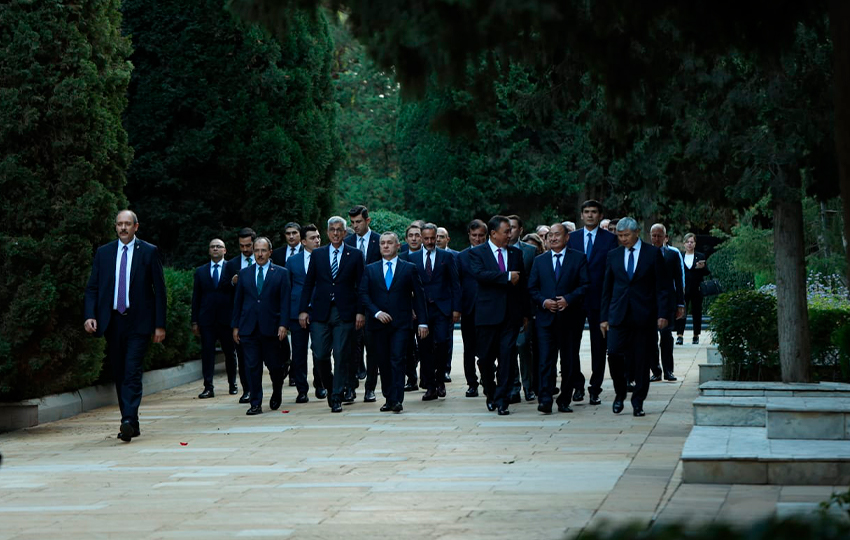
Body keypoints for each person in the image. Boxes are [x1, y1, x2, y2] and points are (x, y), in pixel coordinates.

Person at [84, 210, 167, 442]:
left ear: (136, 227)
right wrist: (89, 315)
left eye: (127, 224)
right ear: (115, 226)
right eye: (119, 224)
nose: (123, 228)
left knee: (132, 371)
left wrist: (160, 325)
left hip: (139, 322)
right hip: (113, 322)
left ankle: (128, 420)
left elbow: (159, 291)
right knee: (120, 373)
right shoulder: (104, 253)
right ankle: (131, 421)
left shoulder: (149, 252)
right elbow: (92, 287)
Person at [600, 218, 669, 417]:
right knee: (613, 353)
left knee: (641, 360)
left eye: (626, 235)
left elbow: (662, 287)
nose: (623, 239)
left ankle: (638, 401)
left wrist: (663, 314)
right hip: (618, 314)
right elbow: (607, 288)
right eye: (620, 236)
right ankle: (620, 392)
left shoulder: (652, 253)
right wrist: (603, 317)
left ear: (637, 232)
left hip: (644, 315)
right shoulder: (613, 255)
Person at [299, 216, 365, 412]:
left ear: (345, 233)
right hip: (320, 312)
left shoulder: (355, 255)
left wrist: (361, 312)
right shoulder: (318, 255)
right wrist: (303, 309)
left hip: (345, 313)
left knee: (342, 354)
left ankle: (336, 395)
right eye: (332, 230)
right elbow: (309, 283)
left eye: (340, 230)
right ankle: (329, 387)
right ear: (327, 233)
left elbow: (361, 286)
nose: (336, 233)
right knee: (319, 354)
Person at [359, 232, 429, 412]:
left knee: (397, 359)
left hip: (401, 323)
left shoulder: (409, 268)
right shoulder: (370, 269)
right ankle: (388, 397)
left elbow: (419, 297)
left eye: (390, 243)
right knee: (383, 361)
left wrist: (423, 322)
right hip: (378, 324)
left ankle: (397, 399)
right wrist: (376, 313)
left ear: (398, 246)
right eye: (382, 243)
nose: (385, 246)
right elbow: (363, 295)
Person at [468, 215, 528, 415]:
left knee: (507, 358)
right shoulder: (478, 253)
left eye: (511, 231)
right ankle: (490, 391)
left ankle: (503, 400)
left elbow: (523, 286)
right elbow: (480, 275)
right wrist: (506, 277)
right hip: (487, 315)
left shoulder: (515, 253)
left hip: (511, 316)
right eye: (506, 232)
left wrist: (526, 313)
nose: (510, 235)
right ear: (493, 234)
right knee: (485, 359)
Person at [527, 223, 589, 413]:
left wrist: (568, 300)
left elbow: (585, 285)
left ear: (567, 237)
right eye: (550, 236)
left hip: (570, 319)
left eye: (557, 235)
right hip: (546, 319)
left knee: (568, 361)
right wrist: (543, 302)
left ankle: (564, 399)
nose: (553, 238)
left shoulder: (578, 258)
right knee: (546, 360)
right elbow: (532, 288)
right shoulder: (540, 261)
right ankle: (545, 399)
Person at [566, 200, 619, 405]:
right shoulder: (572, 238)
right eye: (586, 212)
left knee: (599, 345)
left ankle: (595, 387)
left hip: (600, 298)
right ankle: (577, 385)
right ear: (581, 215)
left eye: (594, 212)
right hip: (575, 299)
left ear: (600, 215)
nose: (590, 215)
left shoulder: (610, 239)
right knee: (572, 345)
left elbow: (612, 270)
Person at [400, 223, 461, 401]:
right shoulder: (413, 258)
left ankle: (441, 378)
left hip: (442, 308)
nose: (429, 241)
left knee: (442, 343)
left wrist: (456, 309)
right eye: (425, 238)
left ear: (436, 237)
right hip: (421, 310)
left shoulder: (447, 257)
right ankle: (431, 385)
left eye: (432, 238)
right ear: (420, 237)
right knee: (424, 346)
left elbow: (455, 284)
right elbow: (408, 287)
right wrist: (411, 308)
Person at [231, 237, 291, 415]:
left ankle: (277, 390)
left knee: (274, 366)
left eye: (263, 250)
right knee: (252, 366)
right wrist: (235, 326)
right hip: (248, 327)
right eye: (256, 250)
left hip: (271, 327)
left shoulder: (281, 273)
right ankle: (255, 403)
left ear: (270, 252)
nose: (259, 254)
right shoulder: (244, 273)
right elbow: (238, 301)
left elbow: (285, 301)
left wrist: (283, 325)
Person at [191, 238, 239, 399]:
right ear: (209, 250)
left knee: (230, 353)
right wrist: (195, 321)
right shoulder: (201, 271)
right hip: (207, 320)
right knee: (207, 353)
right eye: (213, 247)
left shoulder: (231, 269)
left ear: (225, 250)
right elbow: (196, 297)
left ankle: (233, 383)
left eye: (219, 247)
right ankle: (208, 387)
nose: (216, 249)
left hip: (227, 319)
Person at [344, 205, 382, 393]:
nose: (355, 225)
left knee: (373, 348)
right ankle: (350, 386)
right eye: (352, 223)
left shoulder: (379, 241)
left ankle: (370, 388)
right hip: (352, 303)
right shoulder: (347, 242)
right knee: (352, 347)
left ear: (368, 220)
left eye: (359, 221)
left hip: (375, 302)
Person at [287, 224, 325, 403]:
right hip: (297, 313)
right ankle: (302, 390)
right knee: (299, 353)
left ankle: (321, 384)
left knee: (320, 351)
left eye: (318, 237)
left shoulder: (325, 257)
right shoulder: (293, 261)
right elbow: (288, 288)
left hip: (319, 311)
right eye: (312, 238)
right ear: (303, 242)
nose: (317, 240)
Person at [224, 227, 258, 404]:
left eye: (248, 245)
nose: (245, 249)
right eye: (241, 246)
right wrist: (232, 282)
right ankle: (247, 390)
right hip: (242, 318)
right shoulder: (231, 265)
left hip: (263, 316)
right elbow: (224, 290)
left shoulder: (264, 259)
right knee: (244, 356)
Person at [507, 215, 538, 403]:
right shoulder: (497, 251)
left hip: (525, 308)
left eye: (513, 227)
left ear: (520, 230)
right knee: (509, 349)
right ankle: (514, 387)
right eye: (506, 227)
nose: (509, 231)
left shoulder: (530, 252)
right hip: (504, 308)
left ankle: (528, 386)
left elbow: (533, 281)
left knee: (524, 346)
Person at [649, 224, 685, 382]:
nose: (656, 239)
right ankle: (655, 370)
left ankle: (668, 370)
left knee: (666, 336)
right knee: (650, 338)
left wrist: (680, 304)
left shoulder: (672, 255)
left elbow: (678, 279)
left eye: (659, 236)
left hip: (668, 301)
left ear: (665, 237)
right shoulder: (645, 254)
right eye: (653, 235)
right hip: (649, 302)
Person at [457, 219, 487, 397]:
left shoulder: (491, 254)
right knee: (469, 347)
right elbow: (457, 283)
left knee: (489, 346)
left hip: (488, 307)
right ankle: (471, 383)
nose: (477, 239)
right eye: (474, 236)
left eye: (481, 236)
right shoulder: (460, 257)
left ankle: (487, 375)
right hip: (468, 308)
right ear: (469, 235)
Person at [677, 233, 710, 345]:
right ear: (684, 244)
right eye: (687, 242)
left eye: (692, 242)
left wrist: (703, 267)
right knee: (681, 312)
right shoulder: (680, 256)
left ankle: (696, 335)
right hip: (683, 289)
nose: (689, 244)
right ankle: (680, 335)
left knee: (697, 312)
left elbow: (707, 272)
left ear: (695, 244)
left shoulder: (700, 256)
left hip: (696, 288)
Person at [403, 222, 424, 390]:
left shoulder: (429, 256)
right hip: (405, 309)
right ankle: (411, 378)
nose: (414, 238)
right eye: (411, 235)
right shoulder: (401, 257)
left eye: (417, 235)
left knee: (426, 345)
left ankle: (427, 377)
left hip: (425, 308)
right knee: (407, 346)